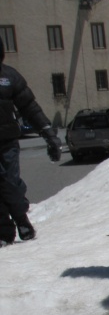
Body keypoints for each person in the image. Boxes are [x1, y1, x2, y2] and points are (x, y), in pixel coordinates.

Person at [0, 36, 62, 247]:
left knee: (10, 184)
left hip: (7, 142)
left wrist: (49, 134)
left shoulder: (9, 77)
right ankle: (3, 231)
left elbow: (30, 108)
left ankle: (21, 219)